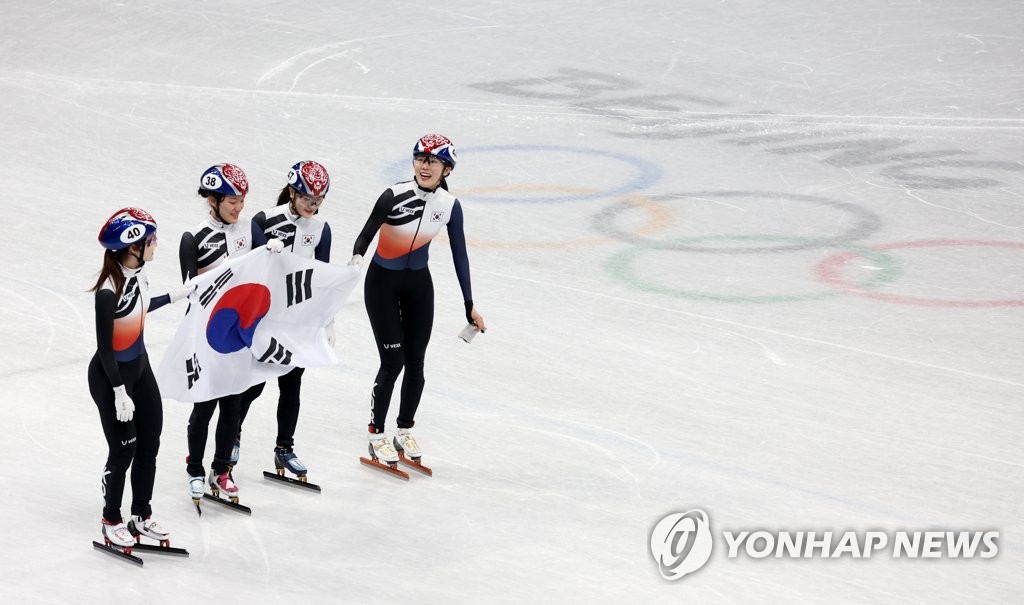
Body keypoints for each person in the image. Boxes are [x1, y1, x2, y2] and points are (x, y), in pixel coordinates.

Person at [350, 134, 486, 466]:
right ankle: (376, 433)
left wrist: (469, 303)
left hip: (418, 286)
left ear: (447, 169)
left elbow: (460, 256)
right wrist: (356, 258)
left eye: (433, 161)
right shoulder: (393, 195)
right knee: (392, 362)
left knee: (416, 365)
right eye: (420, 159)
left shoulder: (449, 206)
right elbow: (367, 232)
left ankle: (404, 429)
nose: (425, 166)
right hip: (381, 284)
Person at [89, 207, 190, 549]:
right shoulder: (107, 291)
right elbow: (105, 349)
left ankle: (140, 515)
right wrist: (118, 391)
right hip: (110, 377)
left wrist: (178, 294)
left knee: (150, 441)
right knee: (124, 447)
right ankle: (111, 518)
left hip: (140, 370)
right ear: (132, 247)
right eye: (151, 240)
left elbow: (143, 306)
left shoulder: (139, 272)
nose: (156, 245)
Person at [179, 164, 273, 504]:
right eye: (232, 201)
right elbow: (192, 291)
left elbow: (271, 267)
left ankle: (221, 470)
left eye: (242, 201)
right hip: (206, 335)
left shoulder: (251, 230)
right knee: (203, 407)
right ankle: (194, 469)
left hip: (238, 334)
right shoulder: (193, 238)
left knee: (232, 406)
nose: (239, 208)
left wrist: (273, 251)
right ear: (214, 200)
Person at [239, 160, 333, 480]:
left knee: (291, 387)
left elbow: (322, 278)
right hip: (263, 318)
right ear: (292, 192)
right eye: (308, 199)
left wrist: (325, 321)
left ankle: (284, 448)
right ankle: (231, 438)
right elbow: (244, 268)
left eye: (319, 201)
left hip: (296, 322)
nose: (313, 206)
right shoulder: (265, 220)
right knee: (252, 386)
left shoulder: (321, 230)